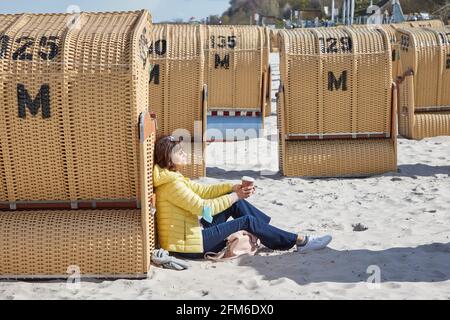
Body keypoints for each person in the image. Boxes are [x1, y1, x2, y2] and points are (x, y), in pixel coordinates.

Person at [153, 136, 332, 260]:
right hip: (190, 247)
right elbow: (204, 208)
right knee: (244, 218)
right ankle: (299, 241)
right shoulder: (172, 184)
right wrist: (235, 196)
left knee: (233, 204)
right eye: (179, 151)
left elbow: (202, 191)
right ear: (168, 159)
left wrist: (232, 188)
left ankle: (266, 231)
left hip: (191, 237)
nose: (184, 153)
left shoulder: (173, 178)